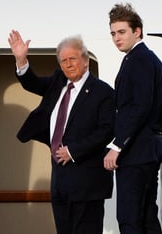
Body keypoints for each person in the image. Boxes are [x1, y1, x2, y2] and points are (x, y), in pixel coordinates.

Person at [8, 30, 115, 234]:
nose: (68, 64)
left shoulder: (103, 92)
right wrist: (21, 60)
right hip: (60, 181)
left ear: (86, 61)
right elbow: (33, 83)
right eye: (63, 60)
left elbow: (106, 131)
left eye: (73, 59)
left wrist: (72, 151)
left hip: (87, 182)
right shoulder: (58, 82)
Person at [104, 3, 162, 234]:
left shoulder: (139, 59)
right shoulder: (149, 59)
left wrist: (117, 145)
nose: (116, 38)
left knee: (130, 218)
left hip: (136, 152)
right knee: (146, 216)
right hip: (148, 151)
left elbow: (139, 107)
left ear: (137, 31)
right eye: (113, 33)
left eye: (121, 32)